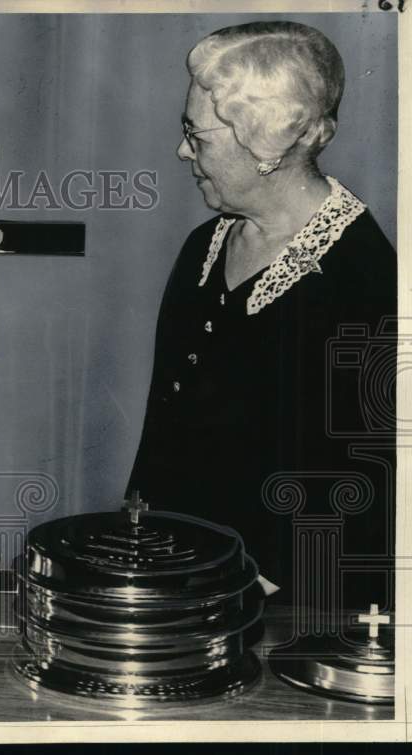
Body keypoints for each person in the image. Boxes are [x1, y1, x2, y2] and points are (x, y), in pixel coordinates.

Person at [129, 22, 395, 610]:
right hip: (183, 589)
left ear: (265, 144)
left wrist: (239, 594)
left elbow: (367, 492)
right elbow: (163, 433)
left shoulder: (365, 278)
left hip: (296, 614)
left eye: (196, 136)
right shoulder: (204, 247)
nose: (182, 152)